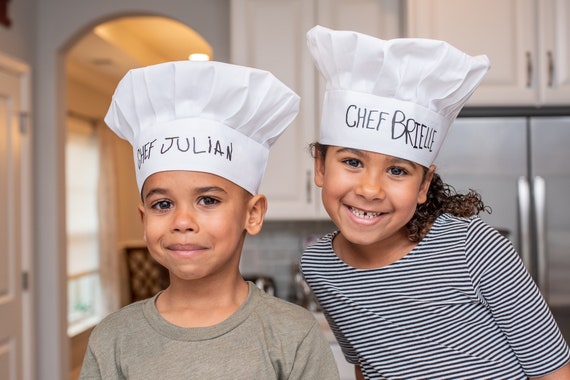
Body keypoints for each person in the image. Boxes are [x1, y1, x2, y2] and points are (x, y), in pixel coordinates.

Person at [300, 25, 570, 380]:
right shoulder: (320, 265)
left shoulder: (475, 248)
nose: (370, 189)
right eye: (352, 162)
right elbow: (366, 365)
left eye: (397, 170)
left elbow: (552, 372)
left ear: (424, 184)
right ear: (320, 166)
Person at [79, 60, 339, 380]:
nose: (183, 221)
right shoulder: (113, 340)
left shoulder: (293, 336)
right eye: (163, 204)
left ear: (252, 214)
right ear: (143, 219)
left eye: (208, 200)